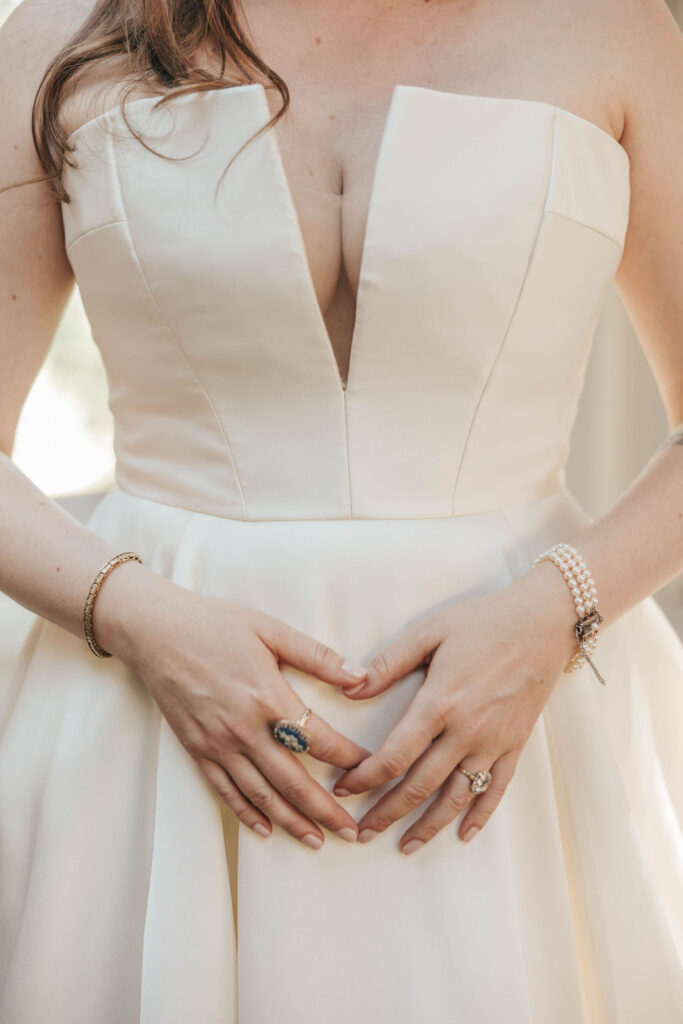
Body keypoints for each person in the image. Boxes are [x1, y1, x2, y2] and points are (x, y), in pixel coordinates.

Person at [0, 0, 682, 1020]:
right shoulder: (51, 37)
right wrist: (139, 618)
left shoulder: (610, 30)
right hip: (143, 719)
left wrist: (554, 611)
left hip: (520, 717)